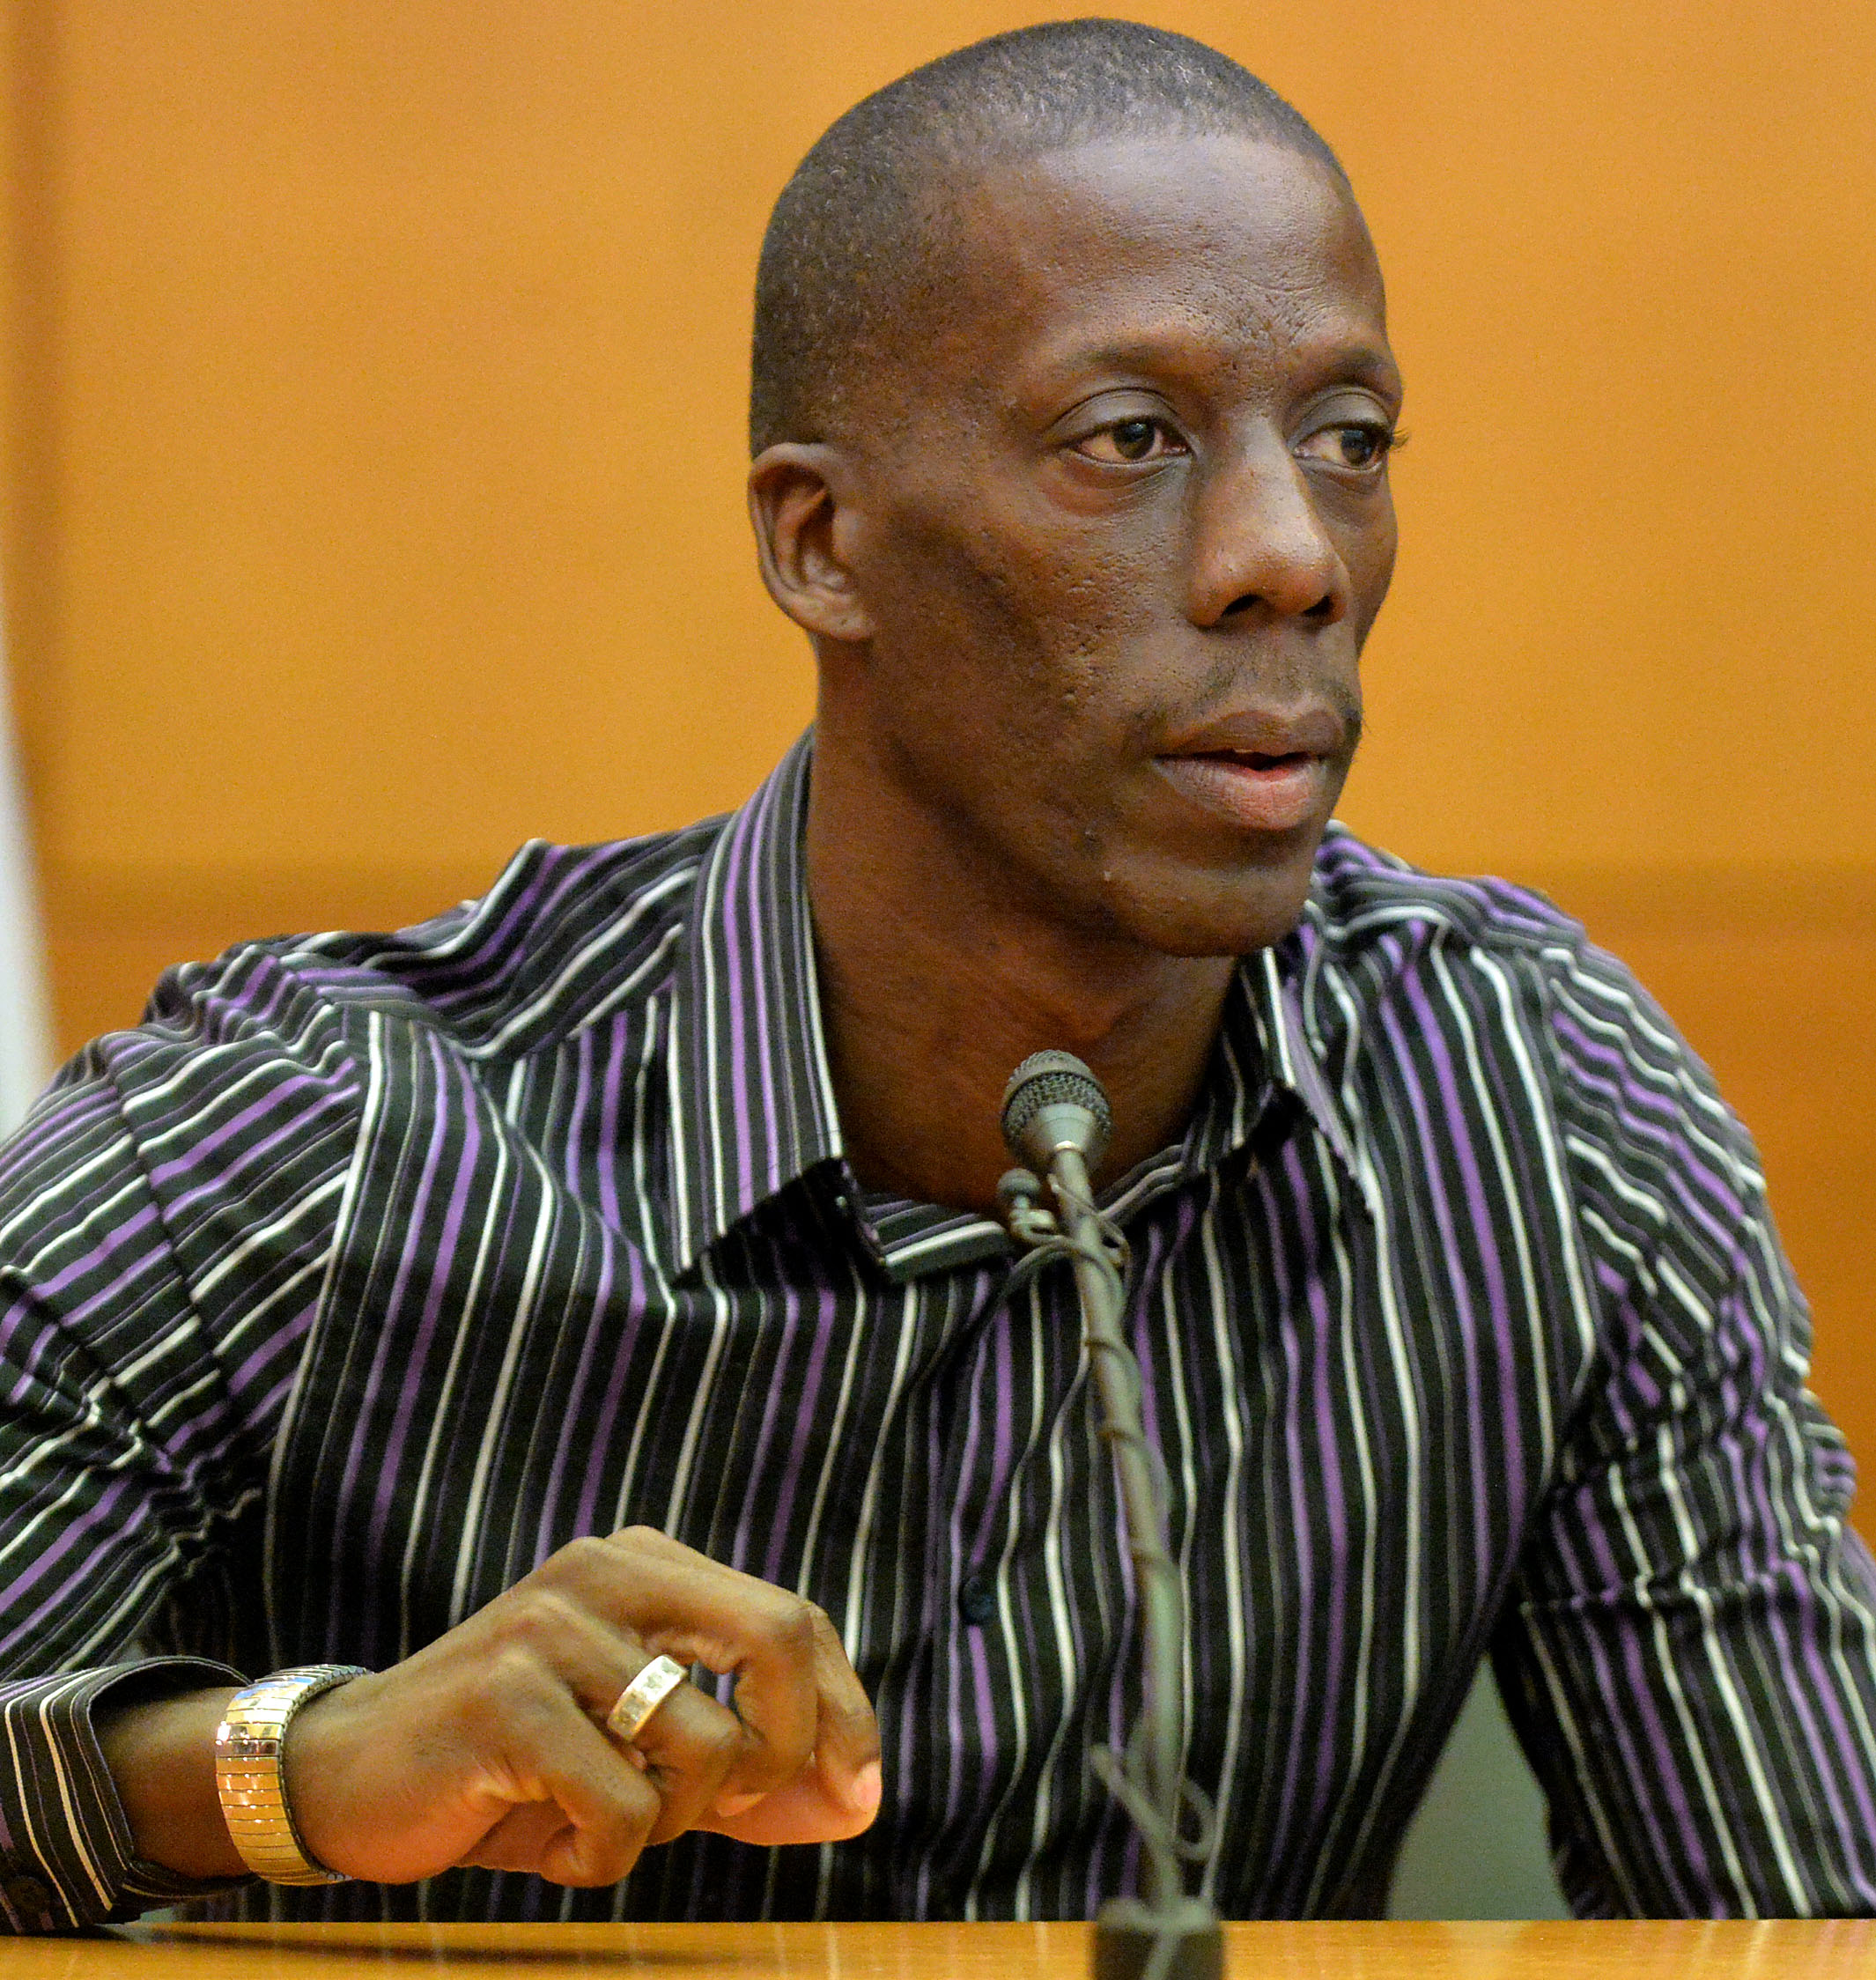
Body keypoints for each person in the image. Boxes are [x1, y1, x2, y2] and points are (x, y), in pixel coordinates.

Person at [2, 18, 1873, 1934]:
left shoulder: (1536, 1112)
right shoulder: (295, 1143)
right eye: (1128, 438)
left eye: (1349, 441)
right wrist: (288, 1768)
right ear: (824, 543)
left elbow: (1802, 1920)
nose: (1290, 555)